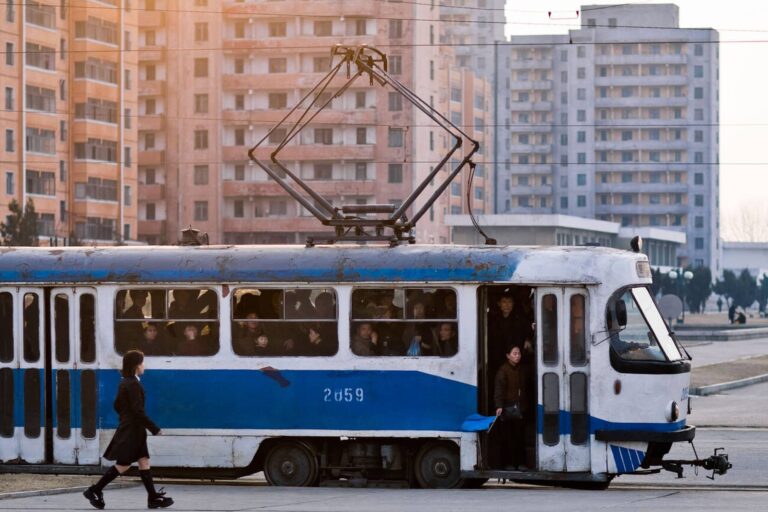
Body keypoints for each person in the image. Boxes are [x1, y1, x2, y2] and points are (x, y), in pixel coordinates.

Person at [83, 350, 173, 510]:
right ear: (136, 366)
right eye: (142, 362)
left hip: (133, 428)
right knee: (123, 464)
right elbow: (138, 411)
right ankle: (94, 490)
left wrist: (125, 417)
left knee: (143, 461)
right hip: (132, 430)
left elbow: (117, 405)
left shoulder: (126, 381)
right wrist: (155, 428)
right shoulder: (133, 384)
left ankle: (152, 498)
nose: (144, 365)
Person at [492, 345, 529, 470]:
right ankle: (508, 464)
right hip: (507, 408)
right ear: (508, 356)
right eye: (514, 353)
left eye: (518, 353)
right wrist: (499, 406)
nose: (517, 356)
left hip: (520, 408)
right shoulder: (503, 371)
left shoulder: (522, 370)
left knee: (520, 436)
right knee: (508, 437)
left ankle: (521, 463)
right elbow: (499, 390)